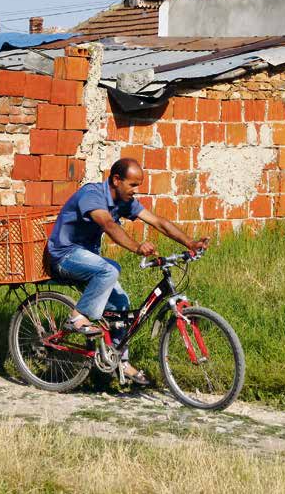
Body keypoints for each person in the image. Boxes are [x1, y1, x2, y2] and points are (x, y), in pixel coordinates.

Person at [47, 157, 209, 385]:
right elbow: (108, 225)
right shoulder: (92, 195)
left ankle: (119, 360)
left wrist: (189, 243)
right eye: (132, 185)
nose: (136, 190)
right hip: (65, 255)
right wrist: (136, 247)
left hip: (88, 258)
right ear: (116, 180)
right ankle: (76, 319)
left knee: (121, 305)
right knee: (110, 269)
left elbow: (158, 222)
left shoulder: (124, 201)